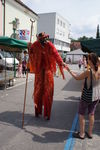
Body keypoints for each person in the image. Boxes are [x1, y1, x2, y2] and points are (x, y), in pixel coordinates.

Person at [28, 32, 65, 120]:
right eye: (40, 39)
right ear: (38, 39)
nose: (42, 40)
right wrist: (29, 47)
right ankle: (37, 111)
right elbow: (31, 53)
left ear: (46, 38)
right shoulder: (35, 44)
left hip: (48, 69)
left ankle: (47, 113)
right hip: (39, 71)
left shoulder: (50, 45)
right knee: (38, 91)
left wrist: (61, 62)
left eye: (44, 39)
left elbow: (56, 55)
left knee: (48, 91)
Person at [66, 53, 100, 139]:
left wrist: (69, 70)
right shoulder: (99, 69)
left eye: (88, 59)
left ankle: (81, 134)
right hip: (96, 96)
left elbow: (77, 78)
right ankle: (90, 133)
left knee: (81, 114)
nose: (86, 60)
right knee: (91, 113)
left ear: (90, 60)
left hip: (87, 96)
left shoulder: (89, 72)